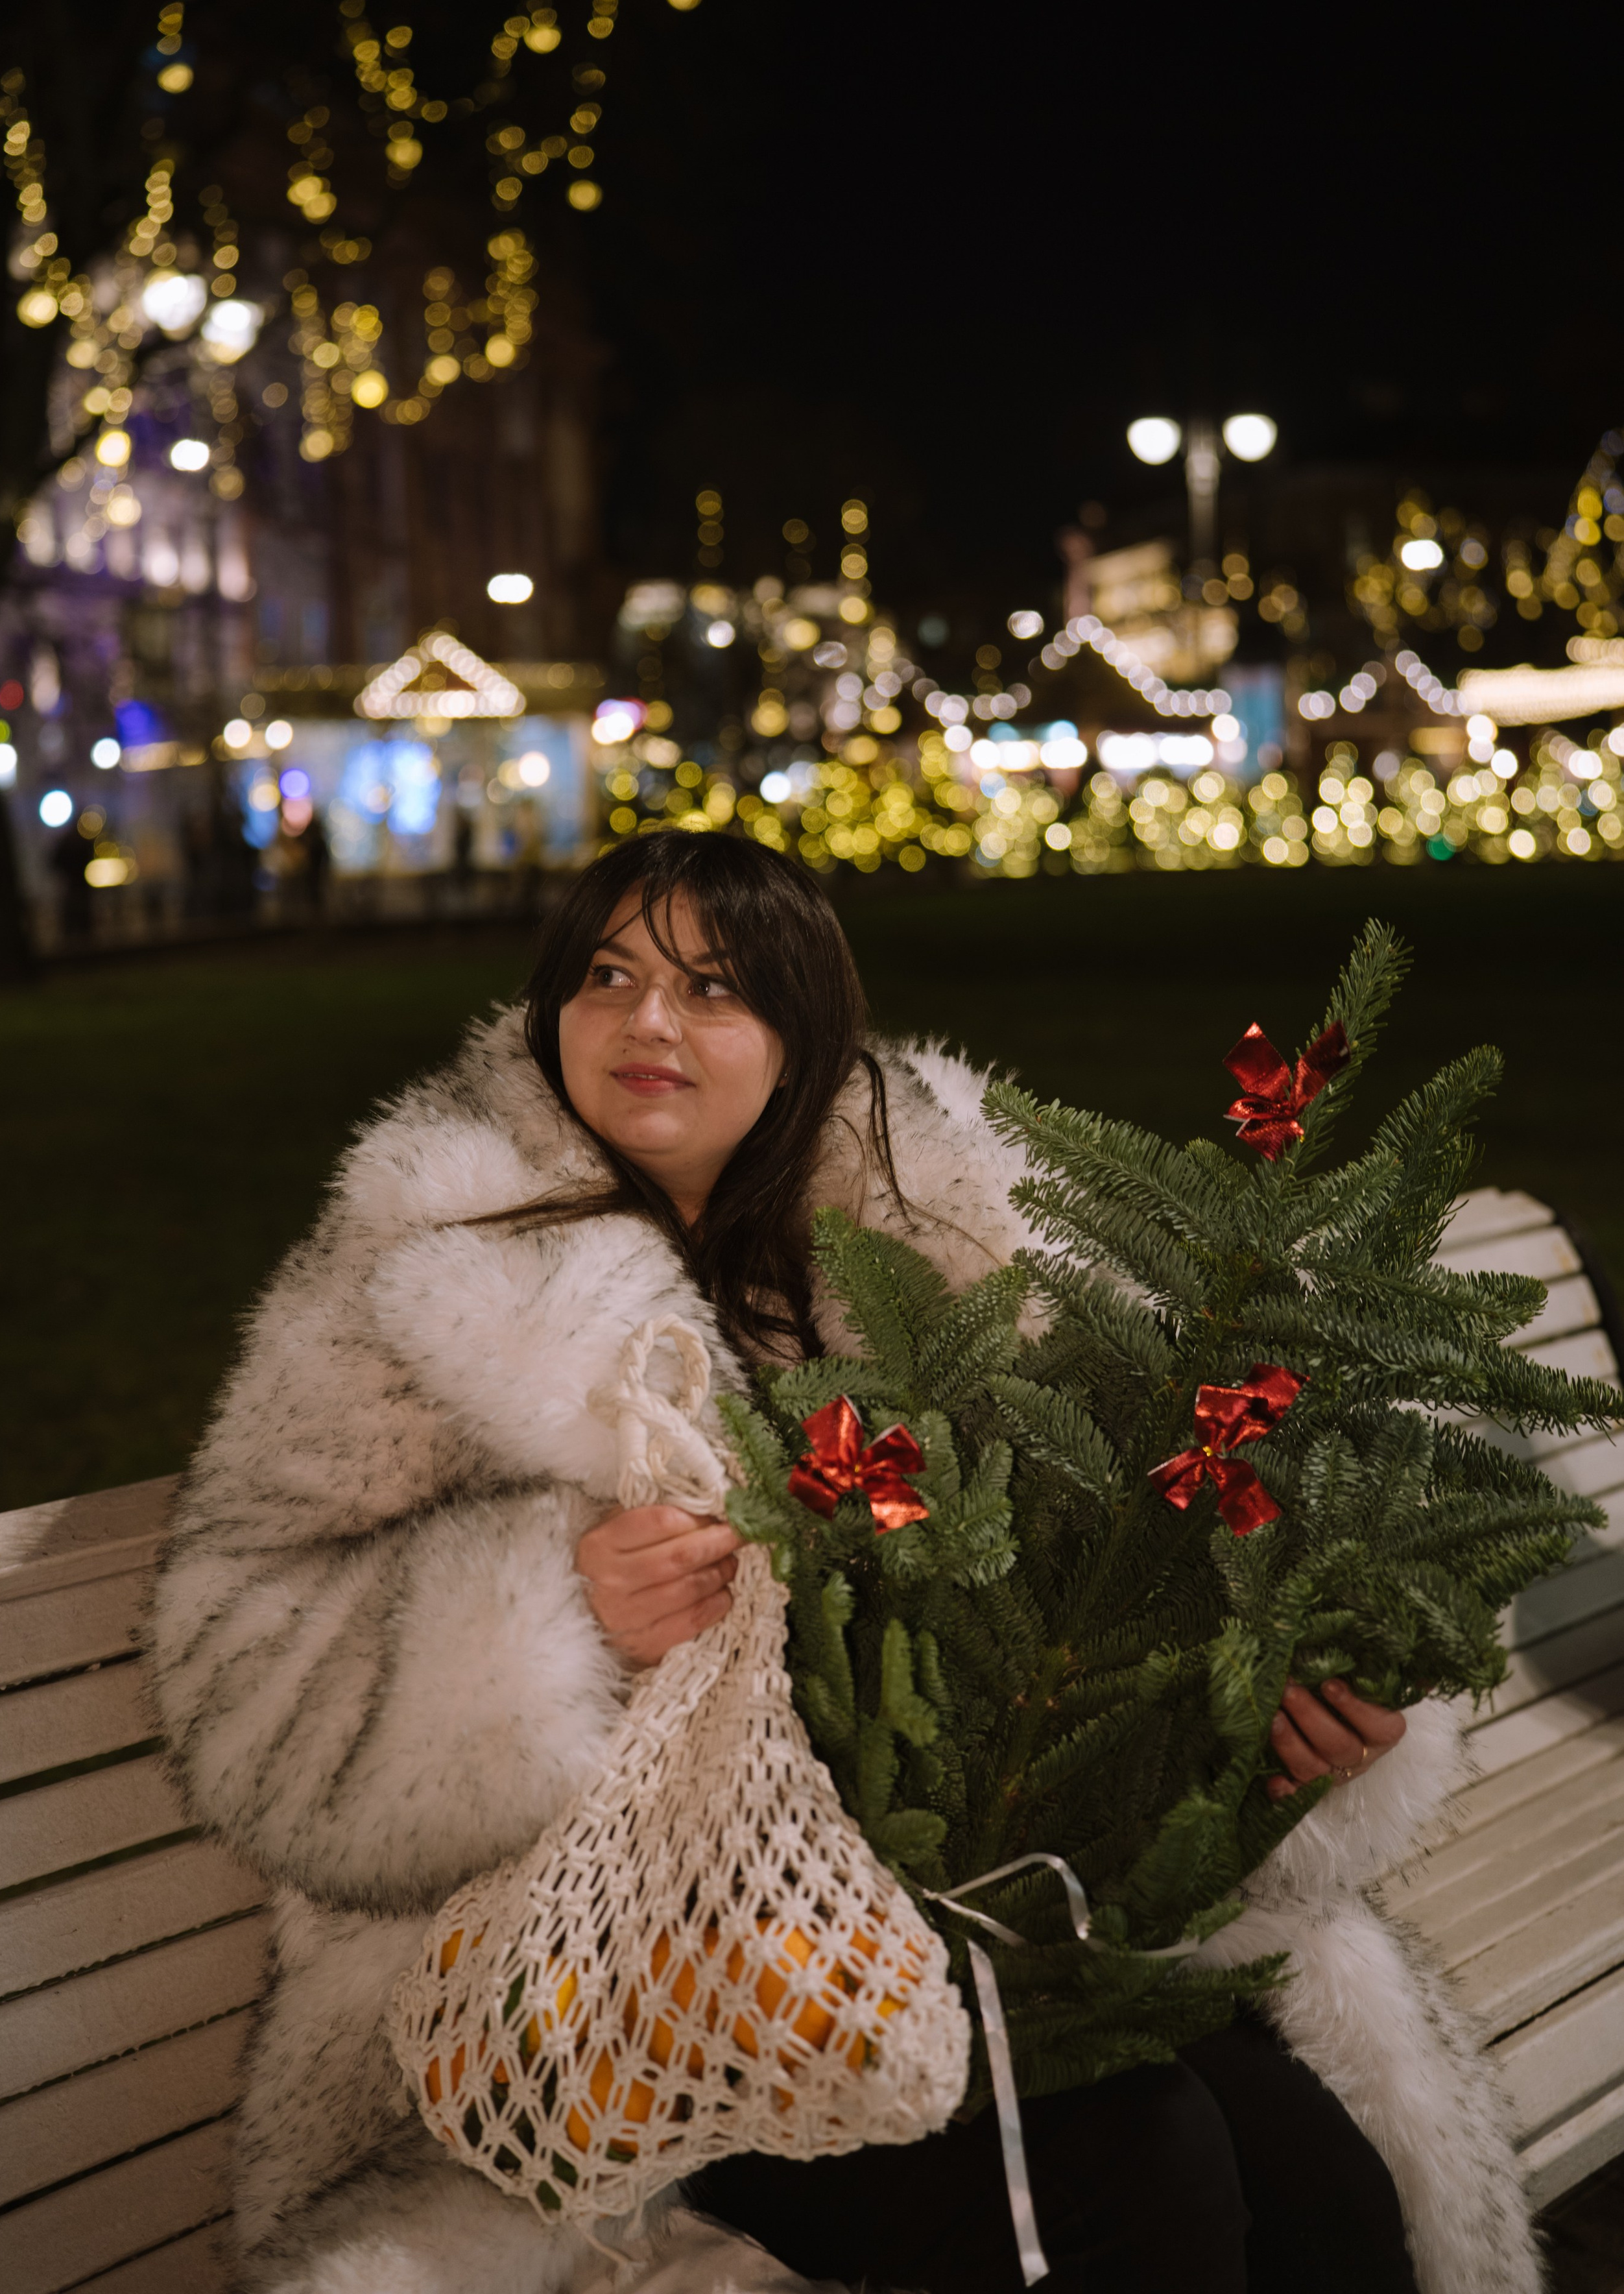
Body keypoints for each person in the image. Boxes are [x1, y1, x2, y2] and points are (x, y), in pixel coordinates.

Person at [152, 831, 1536, 2294]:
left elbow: (1128, 1557)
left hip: (976, 1920)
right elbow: (232, 1662)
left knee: (1311, 2168)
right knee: (1134, 2168)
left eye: (714, 987)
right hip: (615, 1999)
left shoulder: (943, 1241)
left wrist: (1284, 1713)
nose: (648, 1024)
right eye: (606, 976)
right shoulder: (425, 1268)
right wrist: (552, 1614)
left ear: (806, 1036)